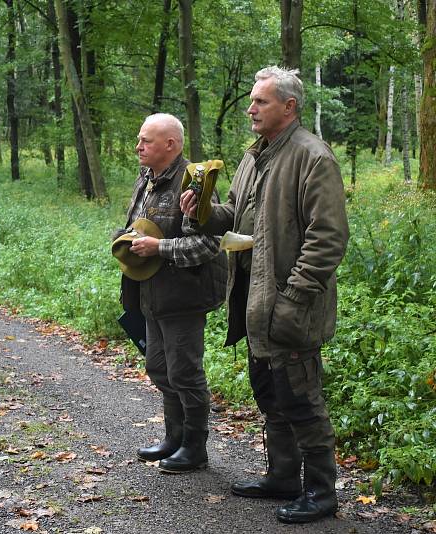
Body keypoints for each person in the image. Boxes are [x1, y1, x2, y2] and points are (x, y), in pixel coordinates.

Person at [180, 66, 349, 524]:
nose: (250, 108)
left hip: (290, 304)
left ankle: (321, 491)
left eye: (261, 101)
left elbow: (328, 238)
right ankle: (282, 478)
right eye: (251, 101)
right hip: (252, 301)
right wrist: (204, 213)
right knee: (268, 393)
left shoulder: (314, 157)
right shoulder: (254, 156)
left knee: (300, 398)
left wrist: (294, 296)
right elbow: (234, 214)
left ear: (289, 106)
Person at [122, 114, 226, 473]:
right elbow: (136, 224)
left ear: (171, 145)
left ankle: (195, 448)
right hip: (150, 293)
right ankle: (174, 437)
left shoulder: (195, 184)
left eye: (146, 141)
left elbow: (209, 244)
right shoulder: (147, 179)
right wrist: (124, 240)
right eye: (139, 140)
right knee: (158, 367)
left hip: (184, 295)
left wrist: (159, 248)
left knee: (185, 372)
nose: (138, 147)